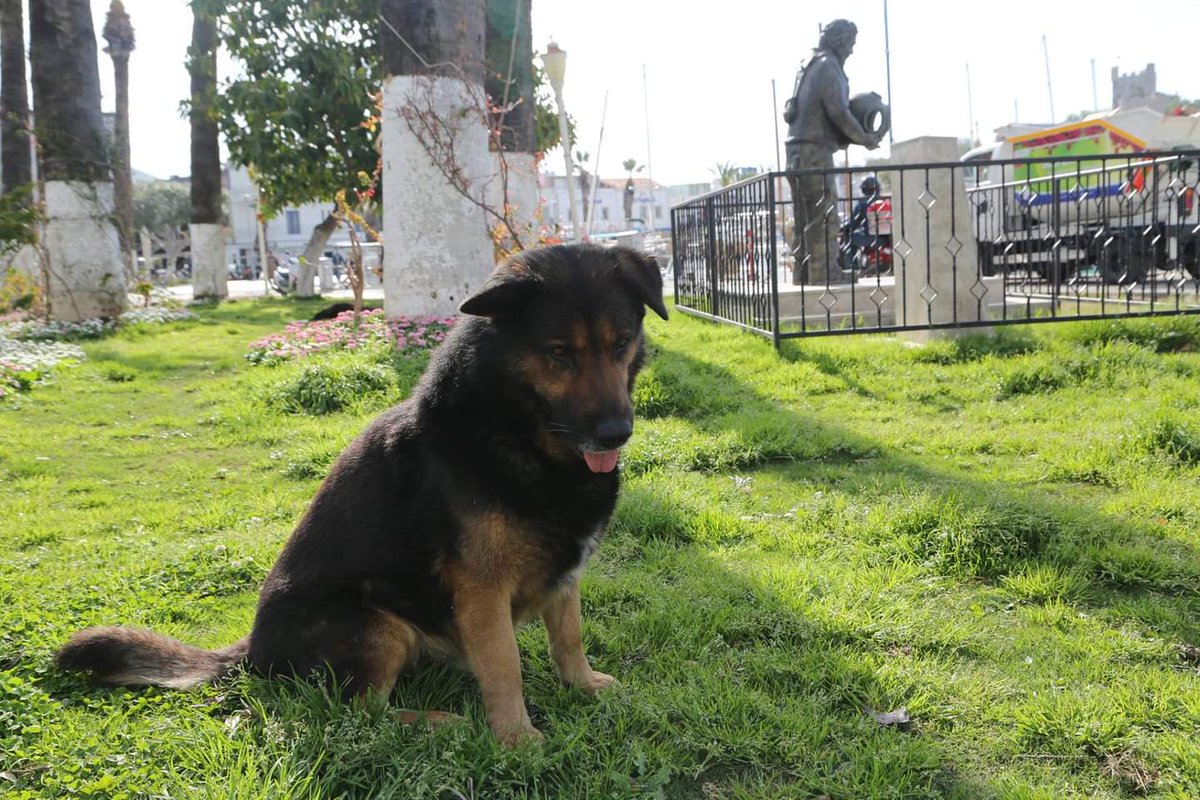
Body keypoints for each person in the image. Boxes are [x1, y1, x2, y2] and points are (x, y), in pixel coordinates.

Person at [784, 19, 881, 284]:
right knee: (824, 215)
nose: (851, 51)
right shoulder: (829, 66)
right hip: (813, 151)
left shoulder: (808, 64)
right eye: (850, 44)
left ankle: (804, 274)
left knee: (805, 215)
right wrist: (865, 139)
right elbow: (839, 112)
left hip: (795, 150)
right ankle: (824, 273)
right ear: (840, 41)